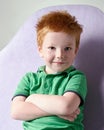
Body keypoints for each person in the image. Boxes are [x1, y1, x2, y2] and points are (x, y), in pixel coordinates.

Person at [11, 10, 87, 130]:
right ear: (40, 50)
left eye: (67, 48)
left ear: (75, 51)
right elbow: (16, 111)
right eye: (52, 47)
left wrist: (32, 98)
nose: (59, 55)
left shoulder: (76, 77)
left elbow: (66, 106)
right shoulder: (29, 79)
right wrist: (56, 111)